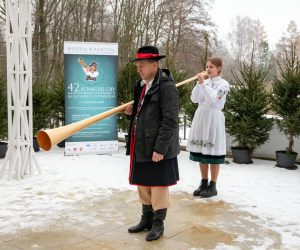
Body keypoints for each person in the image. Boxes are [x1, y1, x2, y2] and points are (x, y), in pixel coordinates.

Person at [122, 46, 180, 241]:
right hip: (141, 144)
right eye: (138, 66)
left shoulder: (167, 87)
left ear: (154, 65)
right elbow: (145, 111)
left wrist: (160, 148)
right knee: (144, 184)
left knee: (158, 186)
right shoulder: (141, 85)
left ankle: (158, 224)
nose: (139, 69)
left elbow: (170, 120)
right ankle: (146, 219)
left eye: (142, 66)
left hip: (157, 146)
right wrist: (134, 111)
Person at [186, 57, 229, 198]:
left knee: (212, 153)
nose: (208, 69)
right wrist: (199, 85)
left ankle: (213, 185)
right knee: (202, 153)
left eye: (211, 67)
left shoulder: (224, 84)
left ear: (219, 68)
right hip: (201, 116)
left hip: (214, 118)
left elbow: (214, 99)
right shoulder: (205, 83)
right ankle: (203, 183)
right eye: (207, 66)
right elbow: (194, 99)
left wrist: (203, 84)